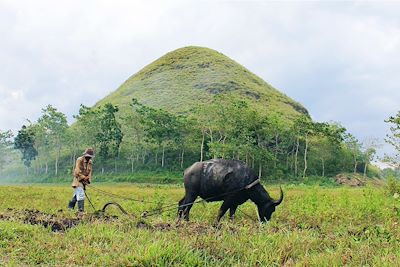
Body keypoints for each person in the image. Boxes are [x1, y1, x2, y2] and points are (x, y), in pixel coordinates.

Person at [67, 148, 94, 212]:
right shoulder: (79, 160)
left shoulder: (90, 162)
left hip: (84, 181)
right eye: (87, 156)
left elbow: (90, 172)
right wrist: (83, 177)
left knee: (77, 195)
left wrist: (88, 178)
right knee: (81, 194)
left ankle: (70, 208)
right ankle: (81, 211)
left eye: (90, 157)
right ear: (85, 155)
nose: (88, 158)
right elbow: (77, 171)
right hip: (78, 180)